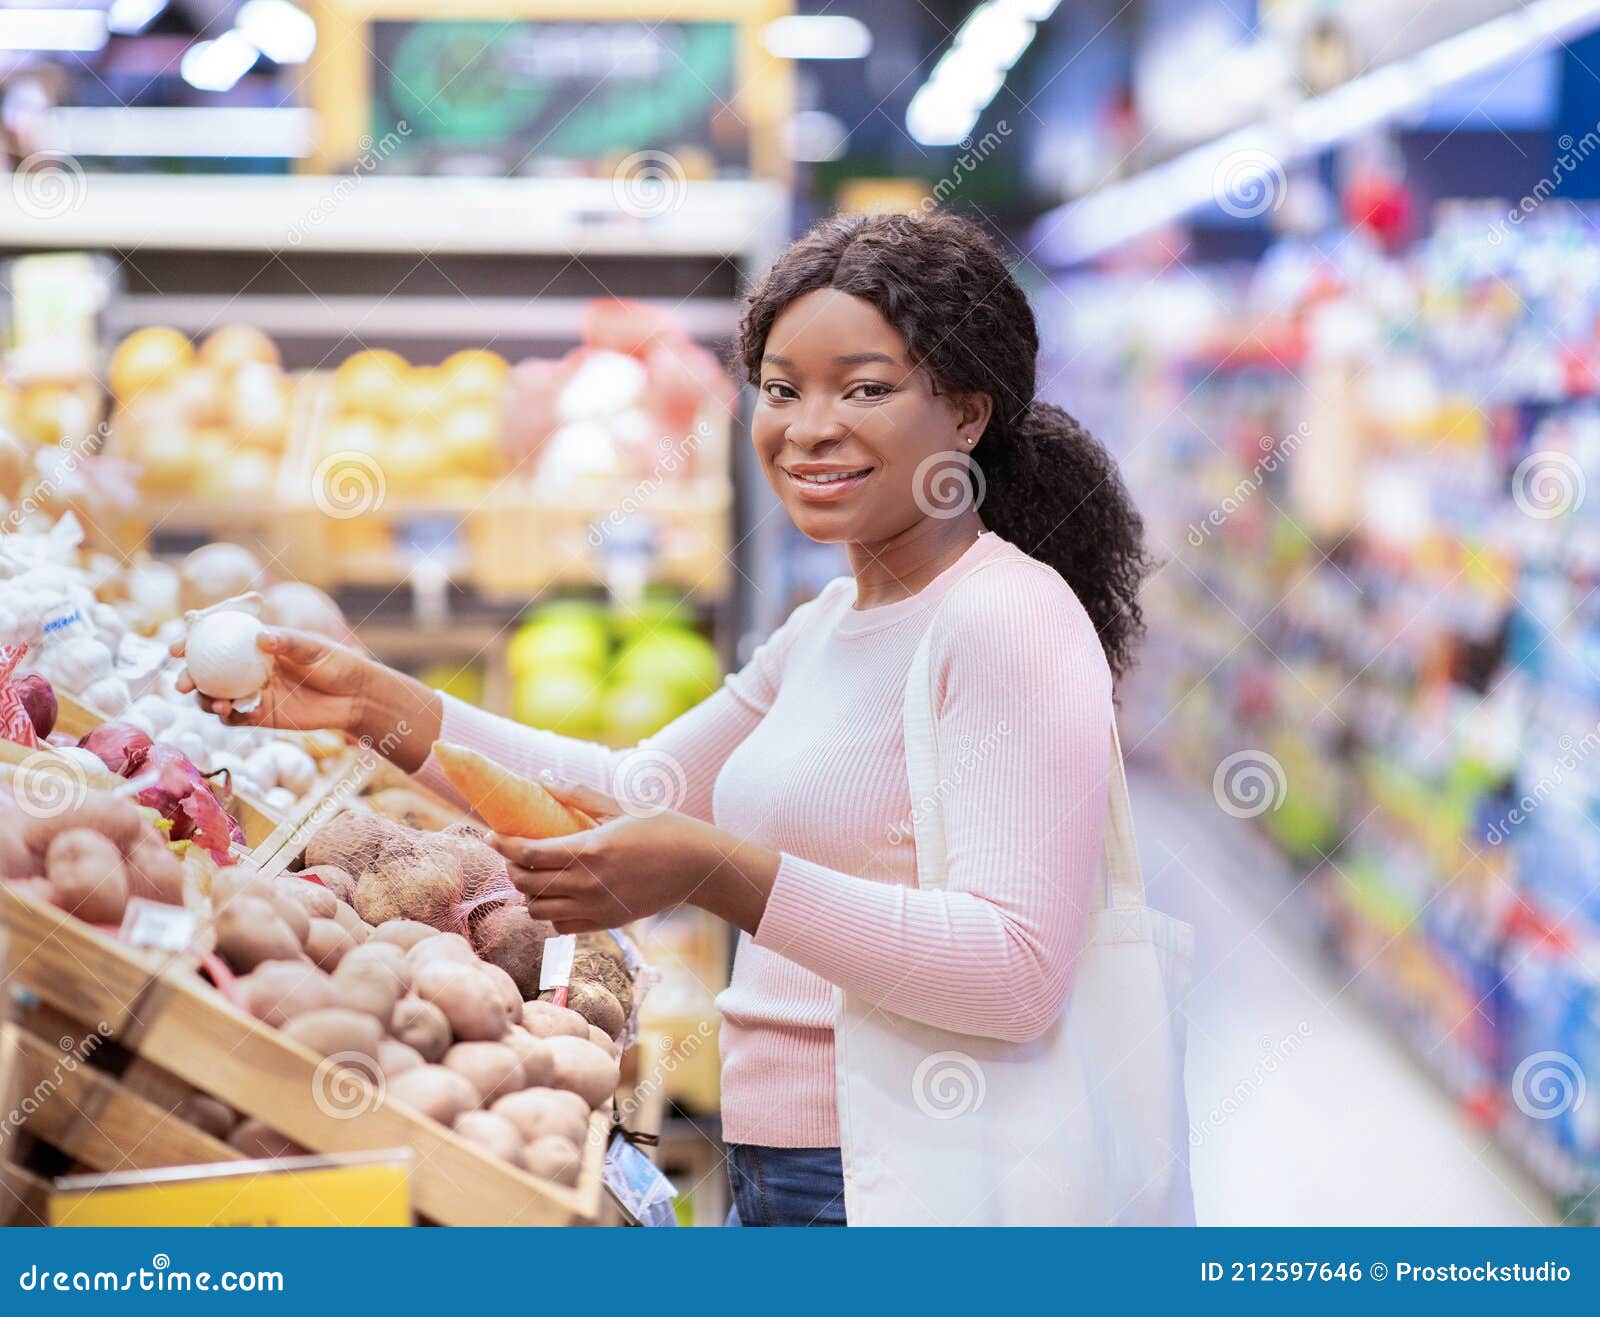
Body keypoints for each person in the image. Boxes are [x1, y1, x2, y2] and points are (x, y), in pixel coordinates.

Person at [175, 212, 1156, 1226]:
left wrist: (712, 871)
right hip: (791, 1169)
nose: (808, 427)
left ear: (964, 414)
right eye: (782, 389)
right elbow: (627, 787)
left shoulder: (1006, 620)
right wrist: (372, 706)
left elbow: (1012, 971)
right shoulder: (831, 621)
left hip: (906, 1179)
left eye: (864, 388)